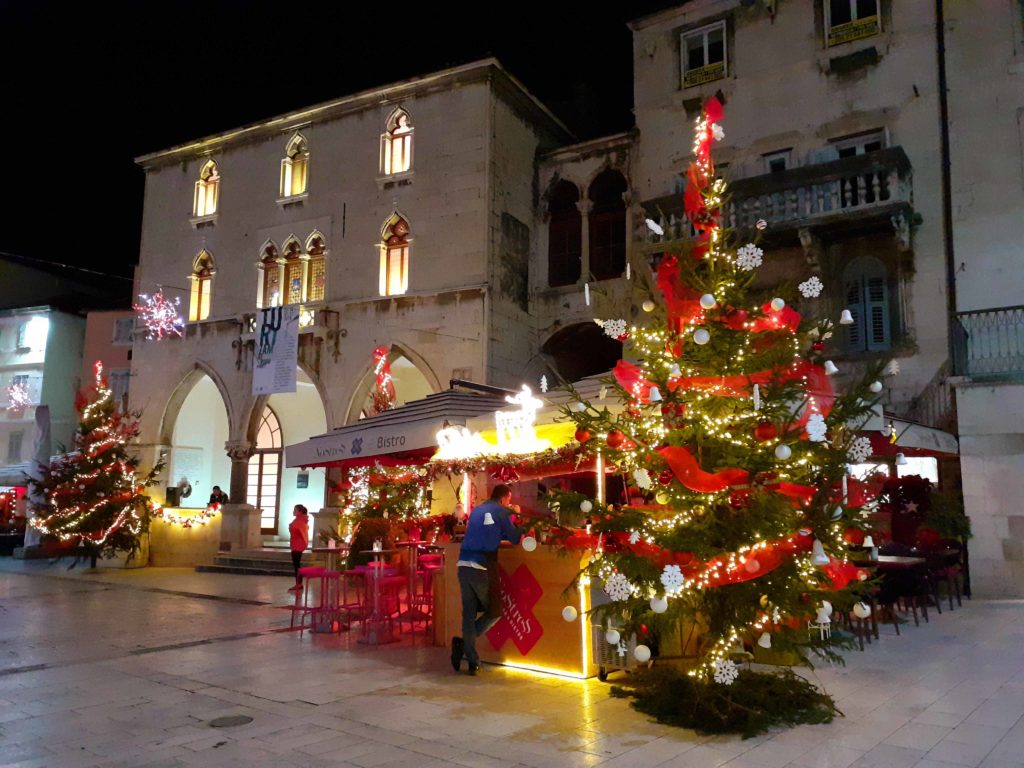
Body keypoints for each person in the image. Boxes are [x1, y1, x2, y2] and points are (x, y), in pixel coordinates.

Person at [451, 484, 522, 676]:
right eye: (509, 500)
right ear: (504, 498)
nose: (509, 503)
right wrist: (517, 515)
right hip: (483, 565)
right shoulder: (502, 511)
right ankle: (463, 645)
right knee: (494, 611)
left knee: (469, 613)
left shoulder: (477, 510)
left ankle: (473, 662)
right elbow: (516, 538)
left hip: (463, 563)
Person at [287, 504, 309, 592]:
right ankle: (299, 583)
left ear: (299, 511)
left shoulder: (300, 520)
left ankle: (299, 583)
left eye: (295, 510)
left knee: (297, 565)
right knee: (296, 565)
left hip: (297, 545)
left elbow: (300, 531)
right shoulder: (300, 519)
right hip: (296, 544)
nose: (293, 511)